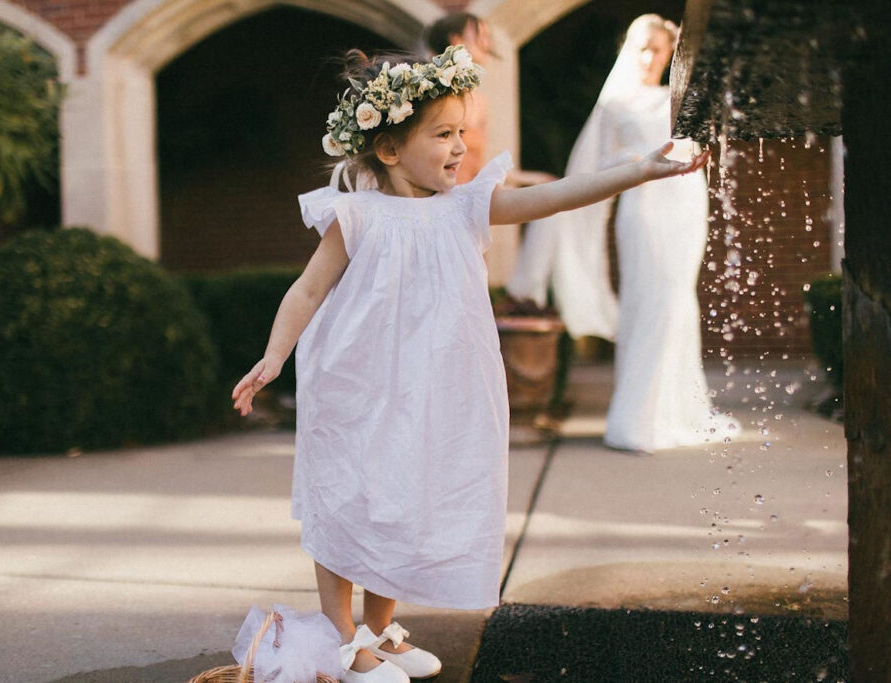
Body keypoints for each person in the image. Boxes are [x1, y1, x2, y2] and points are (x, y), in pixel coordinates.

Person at [232, 45, 709, 683]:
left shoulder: (465, 206)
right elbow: (309, 290)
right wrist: (273, 357)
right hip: (358, 380)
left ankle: (379, 628)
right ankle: (344, 640)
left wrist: (638, 171)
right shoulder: (358, 214)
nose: (461, 146)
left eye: (462, 132)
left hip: (435, 386)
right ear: (391, 148)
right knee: (349, 496)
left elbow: (561, 197)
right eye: (443, 134)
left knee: (410, 497)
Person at [508, 14, 741, 452]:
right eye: (643, 49)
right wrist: (642, 160)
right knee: (652, 301)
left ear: (671, 53)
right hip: (644, 205)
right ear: (628, 50)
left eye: (659, 49)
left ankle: (678, 409)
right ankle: (639, 416)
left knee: (678, 301)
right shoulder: (616, 104)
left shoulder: (682, 97)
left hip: (686, 200)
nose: (651, 58)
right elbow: (599, 164)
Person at [423, 12, 555, 187]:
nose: (487, 44)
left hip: (467, 197)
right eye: (481, 36)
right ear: (456, 40)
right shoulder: (436, 96)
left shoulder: (480, 102)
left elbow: (475, 167)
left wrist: (527, 179)